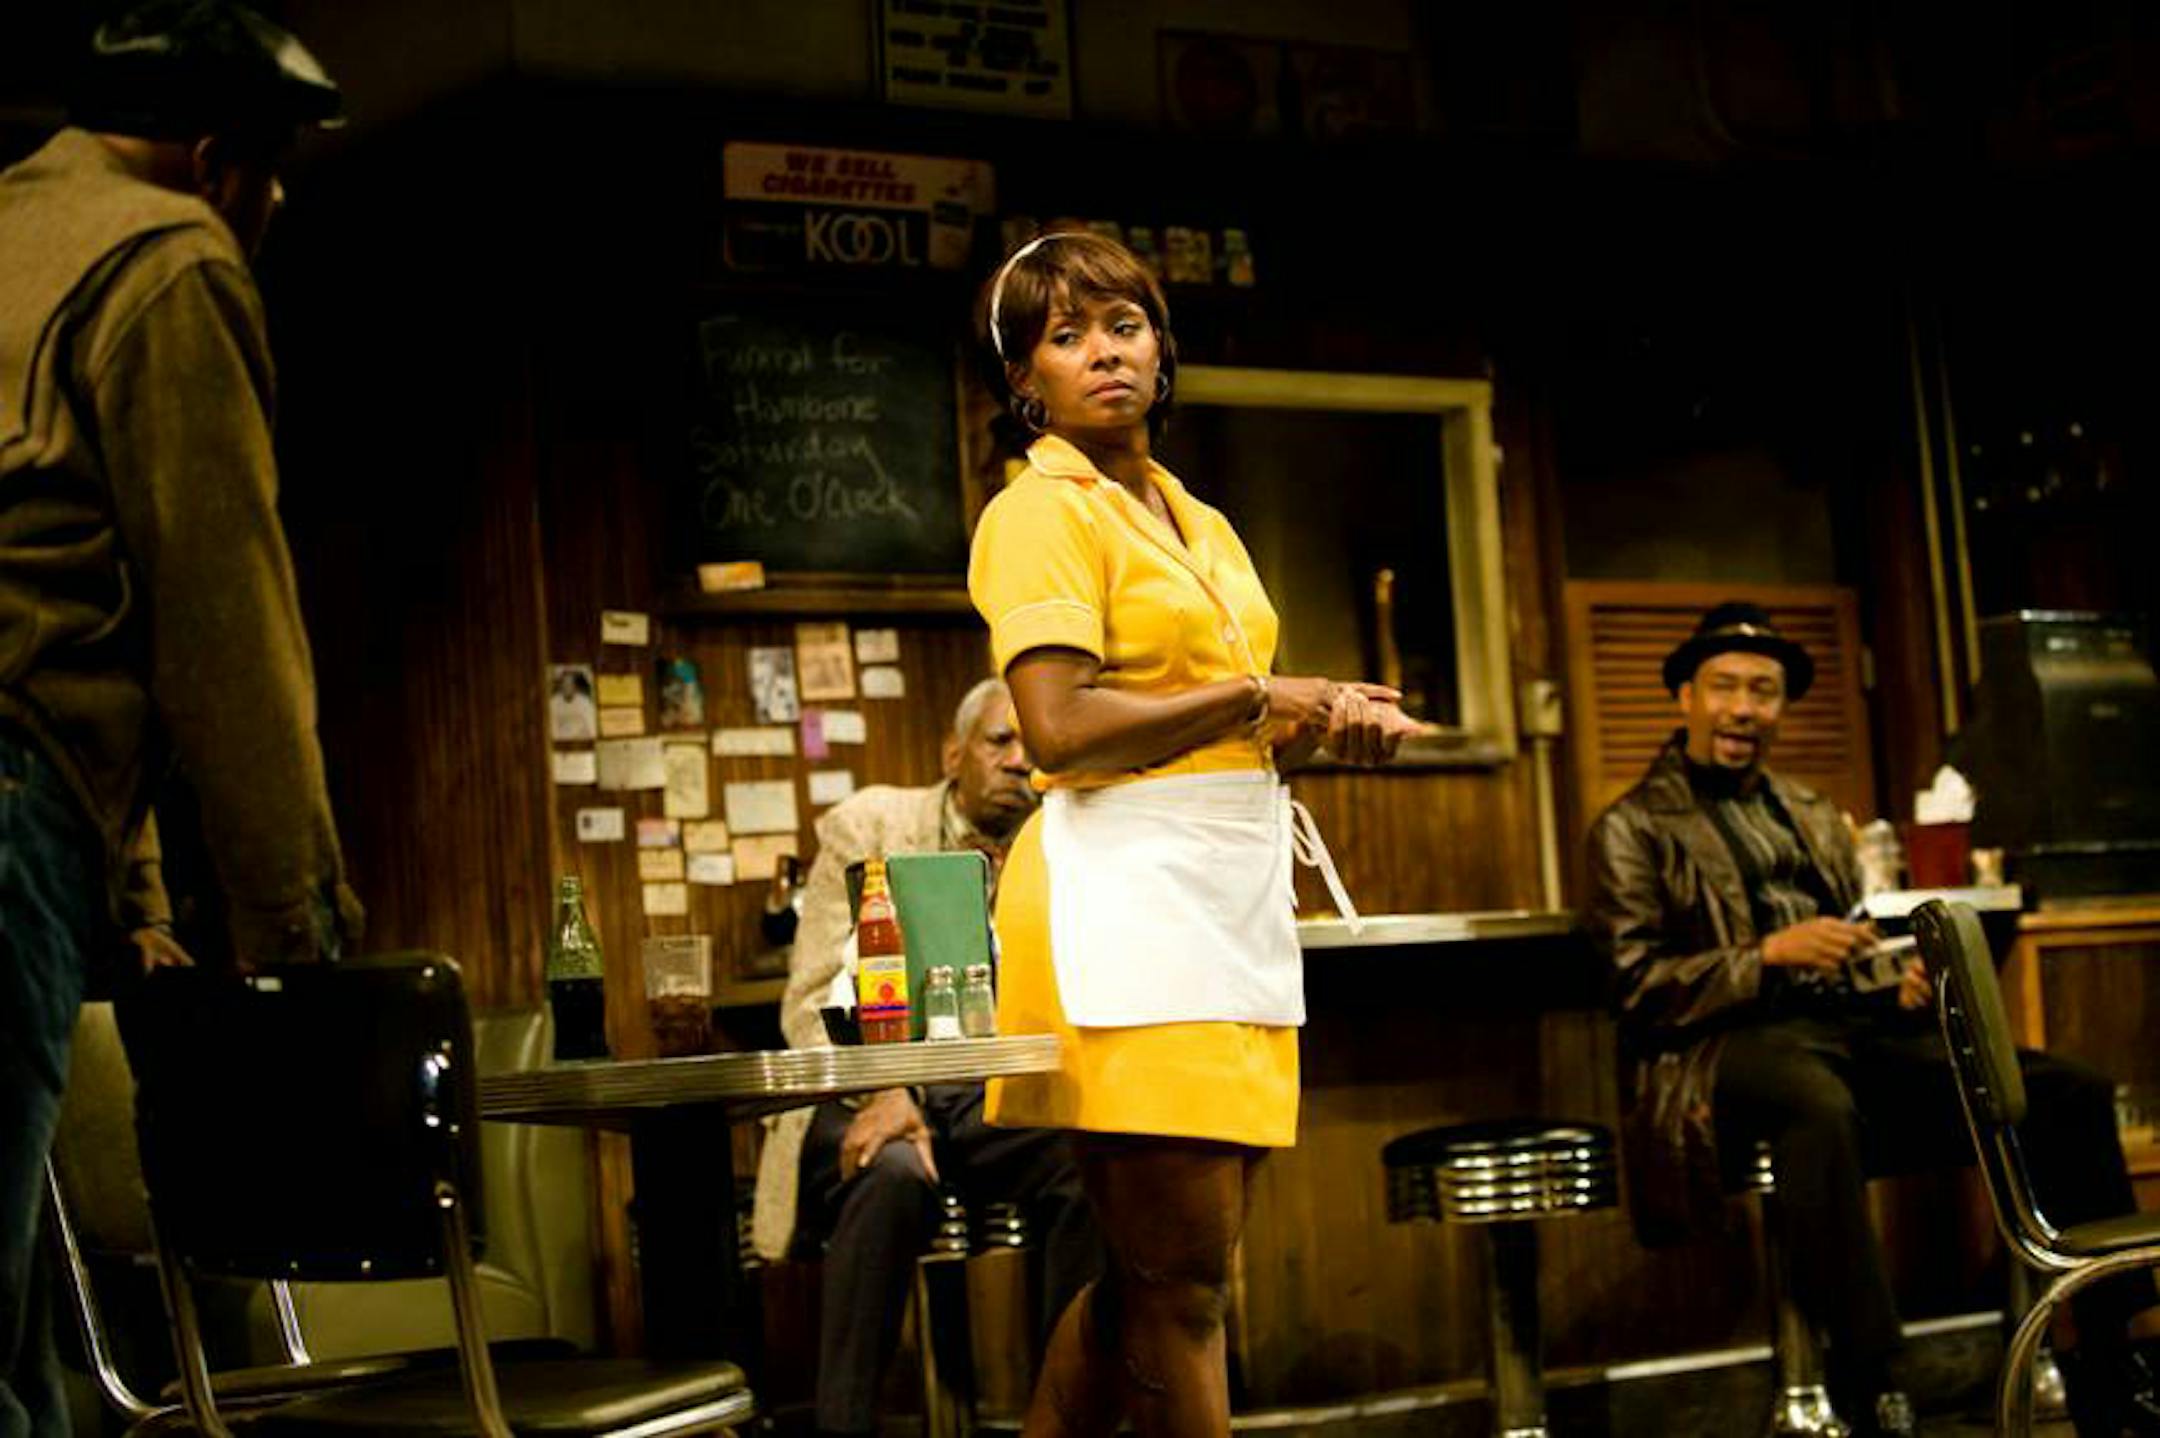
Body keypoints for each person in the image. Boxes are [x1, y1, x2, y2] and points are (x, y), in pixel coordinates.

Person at [966, 230, 1420, 1437]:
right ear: (1026, 379)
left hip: (1219, 894)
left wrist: (1322, 721)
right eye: (1066, 336)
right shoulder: (1037, 512)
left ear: (1161, 350)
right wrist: (1263, 696)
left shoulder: (1196, 516)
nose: (1103, 353)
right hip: (1121, 905)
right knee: (1185, 1288)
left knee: (1156, 1277)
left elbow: (1228, 725)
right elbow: (1059, 727)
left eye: (1123, 326)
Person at [0, 3, 360, 1432]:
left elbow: (56, 577)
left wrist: (136, 892)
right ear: (218, 161)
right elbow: (219, 626)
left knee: (23, 1345)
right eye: (277, 179)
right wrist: (298, 945)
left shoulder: (15, 226)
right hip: (12, 807)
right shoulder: (167, 258)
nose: (272, 214)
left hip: (42, 799)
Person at [1587, 600, 2160, 1437]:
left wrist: (1889, 978)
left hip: (1847, 1029)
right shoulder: (1631, 826)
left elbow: (1850, 933)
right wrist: (1766, 955)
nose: (1744, 708)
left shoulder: (1811, 810)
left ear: (1782, 708)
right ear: (1685, 698)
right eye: (1724, 687)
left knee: (2067, 1090)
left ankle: (2110, 1355)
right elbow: (1633, 985)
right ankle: (1874, 1381)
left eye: (1763, 691)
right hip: (1721, 1047)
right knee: (1815, 1103)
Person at [751, 678, 1102, 1438]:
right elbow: (809, 1001)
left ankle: (1064, 1414)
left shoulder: (1064, 845)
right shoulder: (870, 826)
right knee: (892, 1174)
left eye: (1031, 744)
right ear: (953, 754)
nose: (1019, 760)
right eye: (999, 741)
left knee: (1090, 1159)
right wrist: (890, 1086)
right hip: (860, 1084)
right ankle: (844, 1428)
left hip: (989, 1096)